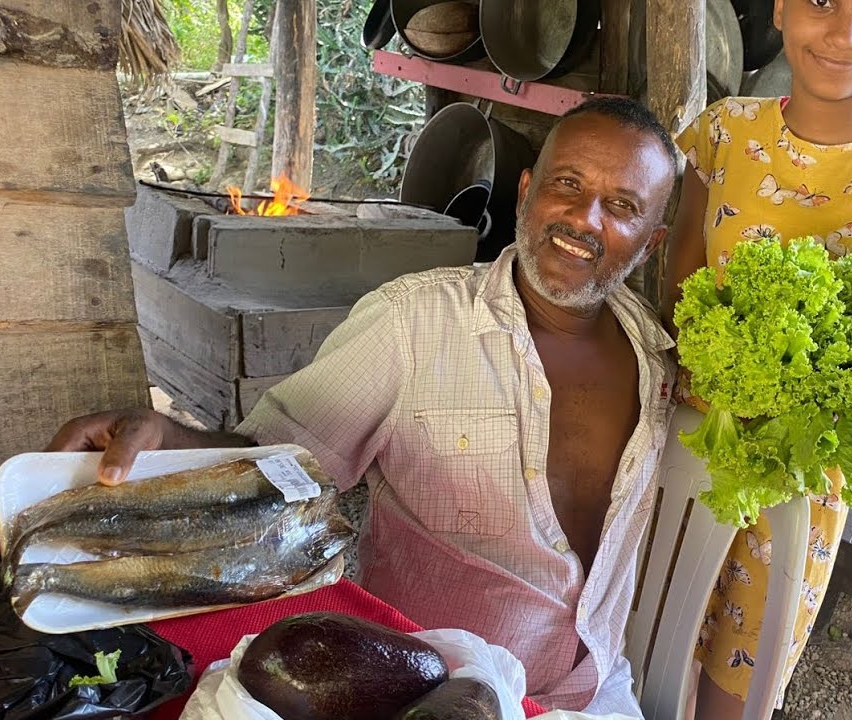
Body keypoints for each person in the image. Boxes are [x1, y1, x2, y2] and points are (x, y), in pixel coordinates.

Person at [46, 97, 680, 716]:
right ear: (525, 191)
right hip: (423, 689)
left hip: (595, 693)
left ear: (649, 244)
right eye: (566, 183)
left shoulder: (659, 357)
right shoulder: (411, 322)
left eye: (621, 205)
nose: (584, 217)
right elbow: (284, 463)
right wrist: (168, 438)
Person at [661, 0, 852, 716]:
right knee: (648, 638)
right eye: (822, 2)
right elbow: (677, 294)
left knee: (736, 685)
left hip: (802, 479)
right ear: (781, 7)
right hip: (687, 445)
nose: (845, 34)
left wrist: (813, 398)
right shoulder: (722, 134)